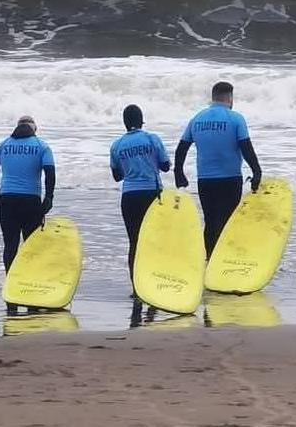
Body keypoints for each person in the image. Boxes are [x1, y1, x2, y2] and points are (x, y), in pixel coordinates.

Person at [174, 82, 262, 257]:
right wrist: (257, 171)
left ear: (213, 97)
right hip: (230, 179)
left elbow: (181, 148)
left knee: (211, 221)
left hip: (205, 180)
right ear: (229, 98)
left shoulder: (197, 119)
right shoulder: (236, 118)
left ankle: (209, 259)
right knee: (229, 222)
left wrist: (179, 173)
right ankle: (226, 261)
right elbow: (246, 148)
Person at [0, 116, 55, 312]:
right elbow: (50, 173)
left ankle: (11, 290)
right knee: (31, 248)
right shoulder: (41, 145)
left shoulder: (4, 145)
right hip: (31, 203)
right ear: (34, 129)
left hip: (7, 201)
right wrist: (48, 198)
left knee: (10, 246)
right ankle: (30, 291)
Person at [110, 105, 171, 290]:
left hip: (129, 196)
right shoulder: (152, 139)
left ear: (125, 123)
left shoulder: (117, 145)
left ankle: (136, 288)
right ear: (141, 120)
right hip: (152, 194)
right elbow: (166, 166)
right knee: (154, 241)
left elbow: (117, 176)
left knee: (134, 241)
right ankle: (153, 284)